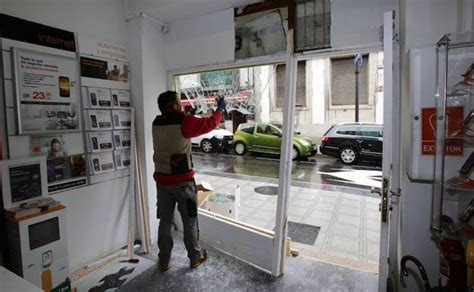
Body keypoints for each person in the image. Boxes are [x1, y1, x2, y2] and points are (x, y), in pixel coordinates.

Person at [152, 90, 225, 272]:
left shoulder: (157, 122)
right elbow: (209, 124)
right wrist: (220, 110)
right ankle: (194, 257)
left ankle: (163, 260)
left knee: (165, 221)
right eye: (179, 102)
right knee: (190, 221)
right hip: (183, 183)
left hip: (162, 182)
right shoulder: (184, 121)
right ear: (174, 105)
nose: (182, 105)